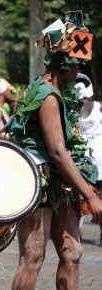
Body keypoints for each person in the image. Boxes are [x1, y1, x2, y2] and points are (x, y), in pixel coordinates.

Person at [6, 11, 102, 290]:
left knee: (72, 253)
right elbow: (57, 151)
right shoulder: (47, 95)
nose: (78, 72)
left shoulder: (54, 91)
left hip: (58, 181)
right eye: (76, 66)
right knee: (33, 257)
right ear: (63, 64)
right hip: (39, 182)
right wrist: (90, 196)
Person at [75, 73, 102, 246]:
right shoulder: (99, 107)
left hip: (84, 161)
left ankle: (77, 233)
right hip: (97, 160)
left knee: (81, 198)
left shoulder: (73, 109)